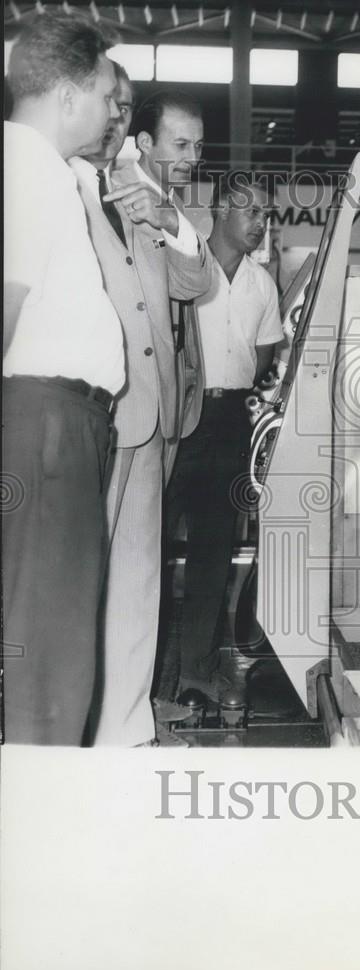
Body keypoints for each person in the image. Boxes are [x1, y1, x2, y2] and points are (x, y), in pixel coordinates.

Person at [70, 80, 211, 746]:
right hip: (86, 413)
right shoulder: (58, 185)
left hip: (152, 414)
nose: (118, 116)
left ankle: (124, 728)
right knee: (78, 577)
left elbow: (194, 283)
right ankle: (73, 721)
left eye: (126, 106)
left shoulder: (145, 197)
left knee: (138, 576)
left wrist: (171, 224)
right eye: (112, 103)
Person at [2, 11, 124, 745]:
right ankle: (39, 832)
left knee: (50, 640)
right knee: (48, 652)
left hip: (54, 429)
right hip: (44, 429)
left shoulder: (39, 170)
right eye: (110, 95)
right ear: (71, 93)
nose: (116, 112)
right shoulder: (26, 169)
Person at [157, 178, 284, 700]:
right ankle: (151, 678)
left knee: (214, 551)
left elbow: (263, 358)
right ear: (218, 210)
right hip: (178, 418)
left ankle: (197, 671)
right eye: (250, 210)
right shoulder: (182, 265)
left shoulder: (263, 284)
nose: (259, 222)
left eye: (265, 213)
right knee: (155, 550)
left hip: (231, 421)